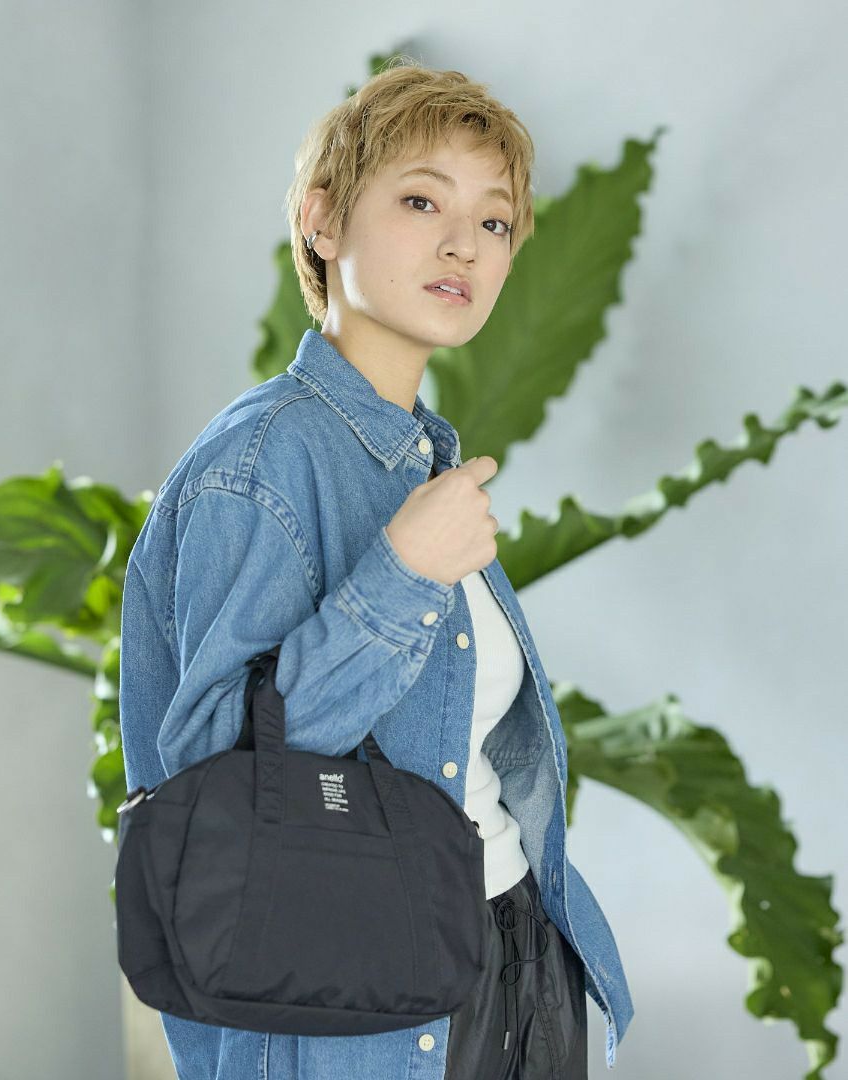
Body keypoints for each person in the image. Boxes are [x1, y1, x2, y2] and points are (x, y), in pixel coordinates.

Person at [119, 59, 633, 1080]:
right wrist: (400, 573)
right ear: (322, 220)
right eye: (421, 201)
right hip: (366, 1008)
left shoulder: (418, 458)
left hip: (512, 962)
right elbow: (217, 787)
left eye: (494, 221)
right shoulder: (260, 463)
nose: (464, 244)